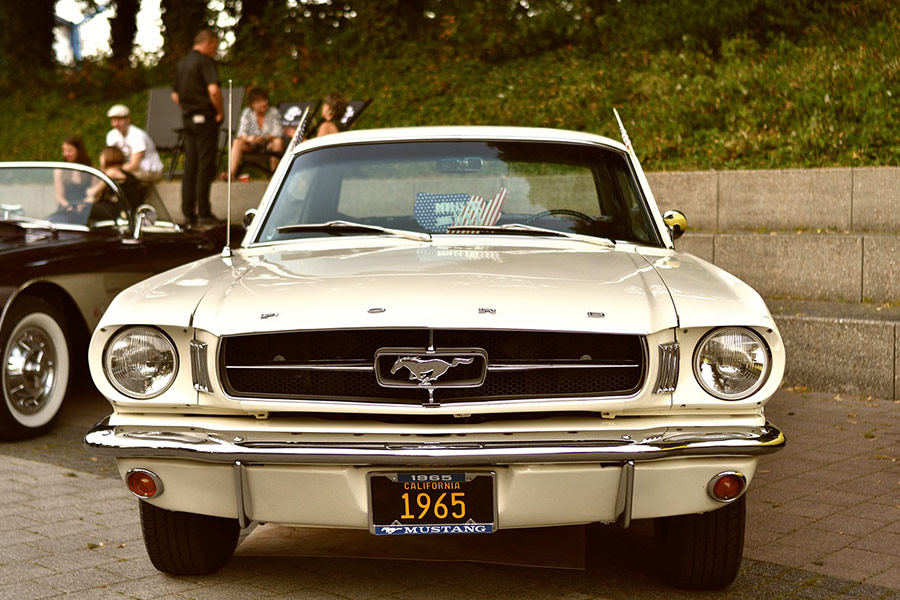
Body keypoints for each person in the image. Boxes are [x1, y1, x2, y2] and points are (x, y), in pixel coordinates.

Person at [172, 28, 223, 227]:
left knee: (190, 166)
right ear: (208, 43)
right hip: (206, 119)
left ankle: (188, 213)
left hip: (188, 121)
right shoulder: (205, 62)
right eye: (215, 46)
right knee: (204, 165)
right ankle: (204, 212)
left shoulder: (183, 63)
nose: (215, 51)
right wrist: (219, 112)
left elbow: (175, 95)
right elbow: (214, 91)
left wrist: (188, 110)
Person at [224, 87, 284, 180]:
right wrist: (249, 139)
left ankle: (274, 175)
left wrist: (264, 138)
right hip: (252, 146)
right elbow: (241, 132)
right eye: (259, 101)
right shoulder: (247, 113)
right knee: (237, 142)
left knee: (278, 141)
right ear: (252, 104)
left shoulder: (273, 112)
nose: (263, 103)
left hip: (269, 145)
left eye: (264, 100)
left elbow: (278, 132)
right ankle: (231, 174)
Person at [104, 104, 164, 182]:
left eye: (119, 120)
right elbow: (109, 158)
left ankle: (95, 190)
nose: (116, 124)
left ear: (128, 120)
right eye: (113, 120)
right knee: (106, 175)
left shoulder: (137, 135)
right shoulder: (111, 135)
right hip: (129, 170)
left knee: (113, 175)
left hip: (150, 171)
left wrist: (113, 170)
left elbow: (134, 165)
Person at [54, 136, 94, 209]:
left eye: (69, 151)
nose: (66, 154)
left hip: (85, 208)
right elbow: (59, 197)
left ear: (78, 151)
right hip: (66, 208)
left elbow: (94, 193)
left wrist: (83, 205)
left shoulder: (90, 170)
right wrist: (70, 207)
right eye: (64, 151)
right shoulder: (60, 170)